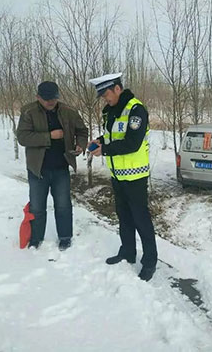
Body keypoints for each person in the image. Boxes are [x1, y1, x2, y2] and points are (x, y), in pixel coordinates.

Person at [88, 73, 158, 281]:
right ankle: (127, 251)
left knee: (141, 219)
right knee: (124, 216)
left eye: (106, 94)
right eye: (102, 96)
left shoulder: (136, 110)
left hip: (135, 176)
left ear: (117, 89)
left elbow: (132, 143)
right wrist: (100, 141)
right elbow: (113, 136)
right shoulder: (112, 111)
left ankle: (150, 262)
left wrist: (105, 150)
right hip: (118, 175)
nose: (105, 99)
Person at [16, 81, 88, 251]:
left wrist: (81, 144)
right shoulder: (28, 112)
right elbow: (23, 138)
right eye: (46, 99)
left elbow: (82, 130)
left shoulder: (68, 111)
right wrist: (49, 136)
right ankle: (36, 238)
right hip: (37, 169)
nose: (50, 102)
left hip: (61, 167)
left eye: (53, 98)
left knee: (63, 205)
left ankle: (65, 237)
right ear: (38, 97)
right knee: (37, 206)